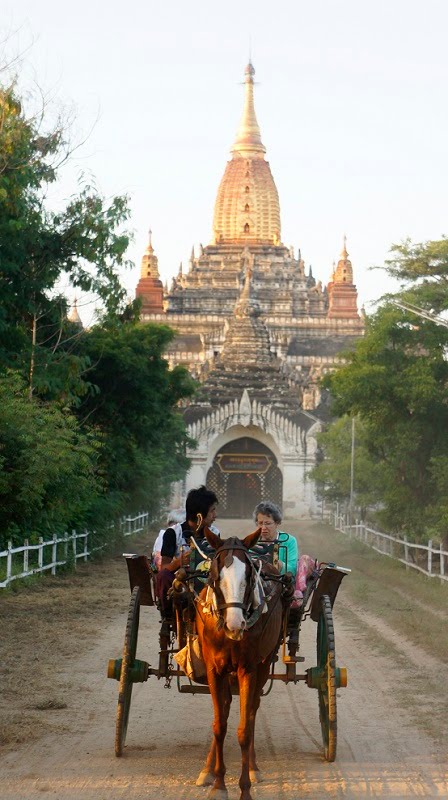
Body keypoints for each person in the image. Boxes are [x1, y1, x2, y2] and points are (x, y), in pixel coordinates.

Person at [155, 486, 218, 615]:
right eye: (212, 511)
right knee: (163, 576)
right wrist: (179, 562)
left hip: (205, 579)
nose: (215, 516)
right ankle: (167, 619)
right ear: (200, 515)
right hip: (180, 580)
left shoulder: (214, 533)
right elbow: (164, 568)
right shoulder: (173, 533)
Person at [253, 501, 299, 578]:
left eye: (268, 523)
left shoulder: (289, 541)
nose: (263, 528)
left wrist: (276, 563)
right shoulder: (252, 541)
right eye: (260, 523)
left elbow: (293, 570)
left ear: (277, 523)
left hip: (282, 583)